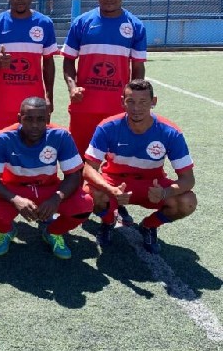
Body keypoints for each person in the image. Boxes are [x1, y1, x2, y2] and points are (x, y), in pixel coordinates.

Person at [84, 79, 197, 254]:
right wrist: (110, 189)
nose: (136, 108)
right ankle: (108, 221)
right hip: (115, 182)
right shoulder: (107, 127)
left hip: (152, 185)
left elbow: (188, 179)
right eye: (131, 101)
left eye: (143, 102)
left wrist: (165, 192)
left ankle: (149, 226)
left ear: (154, 102)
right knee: (89, 195)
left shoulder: (170, 132)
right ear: (122, 102)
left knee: (187, 202)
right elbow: (88, 169)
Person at [0, 97, 93, 259]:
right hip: (14, 189)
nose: (35, 125)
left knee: (84, 205)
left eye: (41, 119)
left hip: (48, 189)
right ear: (19, 118)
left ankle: (53, 232)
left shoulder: (61, 135)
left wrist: (56, 198)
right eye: (29, 119)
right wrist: (15, 199)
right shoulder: (2, 138)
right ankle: (6, 231)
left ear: (48, 119)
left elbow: (73, 175)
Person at [62, 0, 147, 160]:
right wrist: (72, 88)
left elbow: (138, 68)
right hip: (84, 106)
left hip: (117, 107)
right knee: (79, 160)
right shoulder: (81, 23)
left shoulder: (135, 26)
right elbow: (68, 62)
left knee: (116, 162)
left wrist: (133, 98)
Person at [0, 0, 57, 137]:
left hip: (34, 106)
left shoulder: (44, 23)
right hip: (3, 104)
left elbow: (49, 63)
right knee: (0, 148)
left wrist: (49, 97)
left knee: (34, 148)